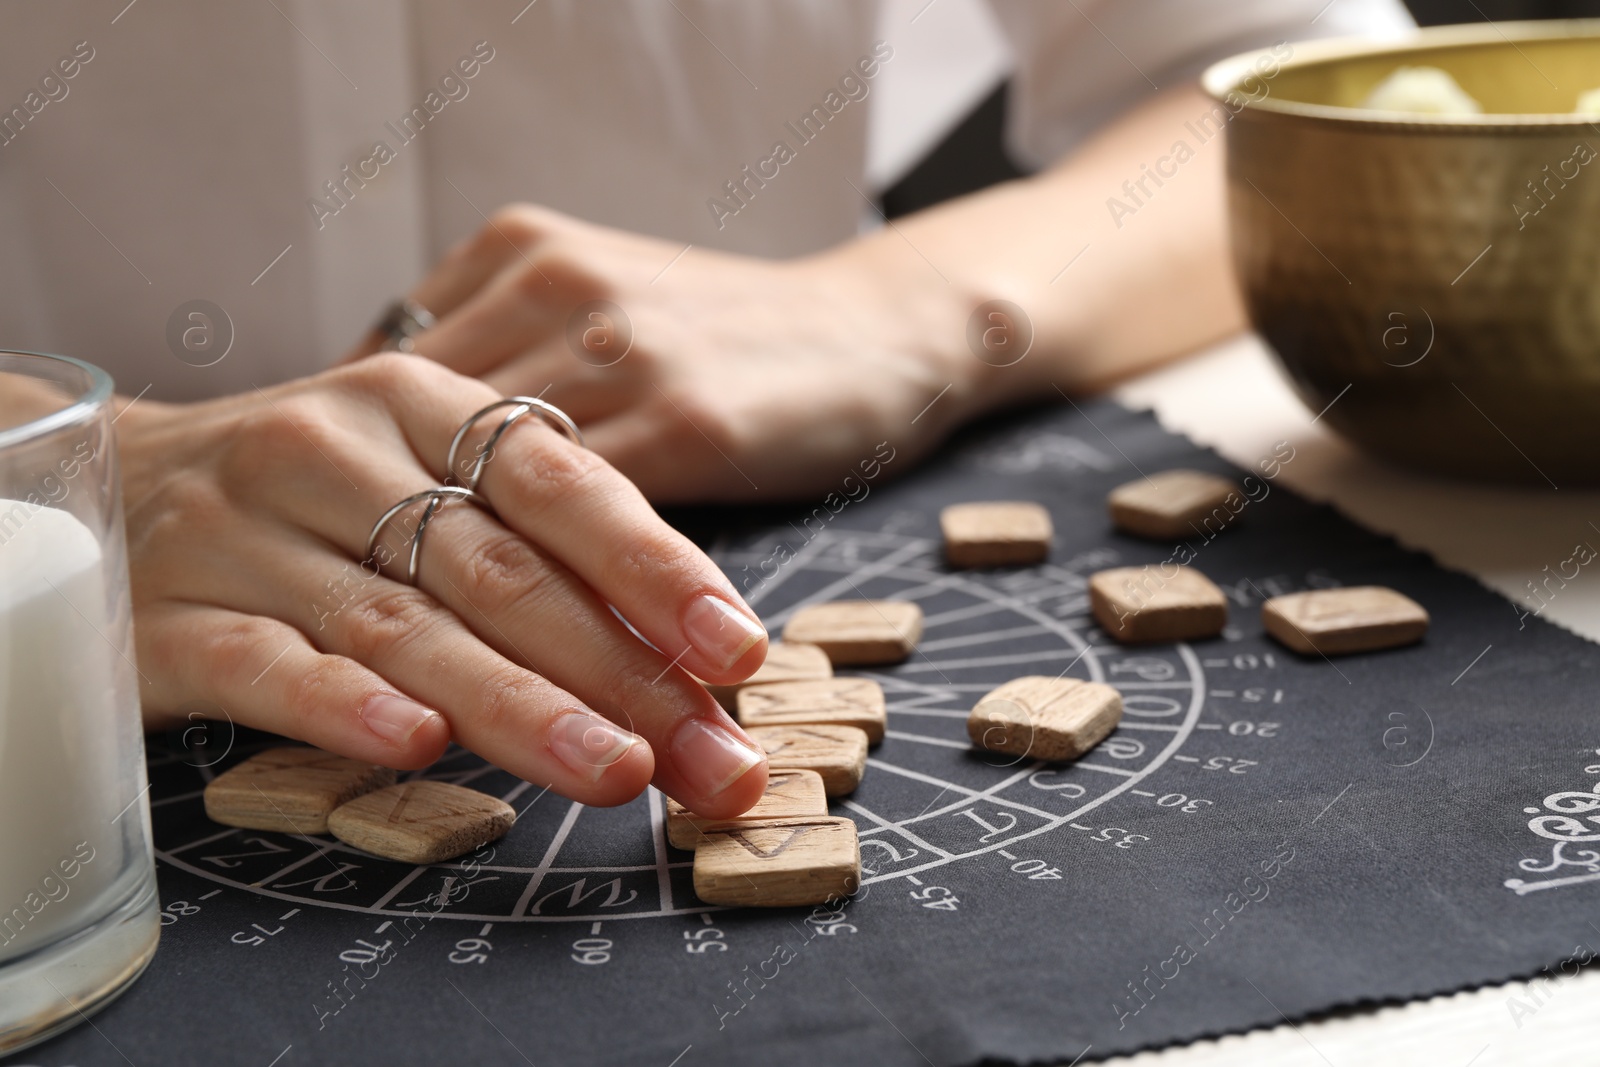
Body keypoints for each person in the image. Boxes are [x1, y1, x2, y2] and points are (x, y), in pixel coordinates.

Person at [0, 0, 1412, 816]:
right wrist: (82, 467)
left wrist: (917, 303)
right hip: (52, 626)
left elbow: (1298, 81)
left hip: (759, 526)